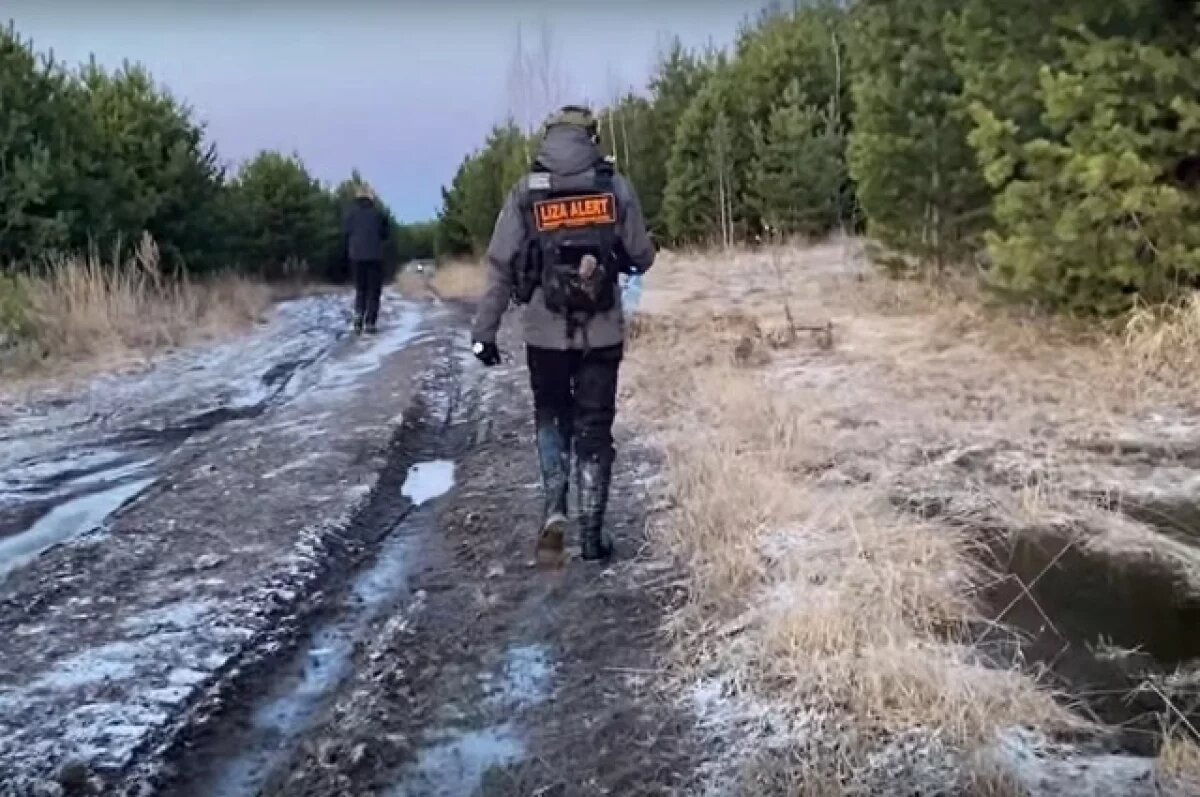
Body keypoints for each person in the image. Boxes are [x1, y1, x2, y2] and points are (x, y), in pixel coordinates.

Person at [470, 105, 655, 563]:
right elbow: (641, 255)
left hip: (544, 333)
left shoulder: (525, 191)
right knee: (594, 428)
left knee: (552, 413)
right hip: (602, 331)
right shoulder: (615, 186)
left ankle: (555, 508)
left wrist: (484, 332)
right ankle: (592, 534)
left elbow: (500, 265)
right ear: (591, 136)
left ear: (549, 136)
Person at [342, 184, 390, 335]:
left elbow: (346, 232)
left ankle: (358, 316)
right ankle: (370, 322)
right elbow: (385, 234)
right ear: (371, 198)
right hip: (375, 256)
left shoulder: (350, 214)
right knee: (373, 291)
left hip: (356, 256)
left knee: (360, 290)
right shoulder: (378, 214)